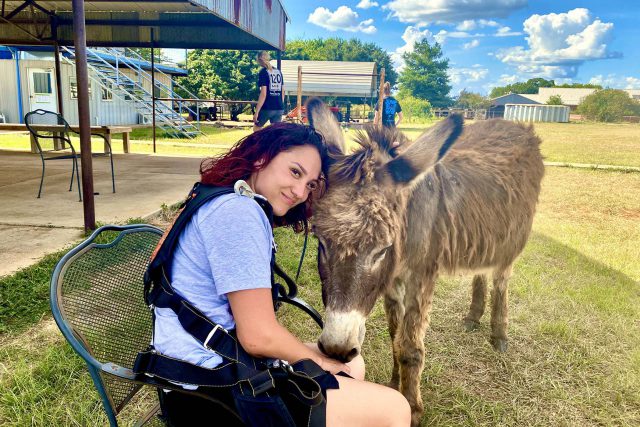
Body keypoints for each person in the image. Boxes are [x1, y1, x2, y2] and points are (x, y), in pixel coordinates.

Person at [151, 122, 411, 427]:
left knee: (352, 364)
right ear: (263, 158)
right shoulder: (238, 214)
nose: (301, 192)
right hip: (209, 393)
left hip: (201, 371)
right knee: (394, 408)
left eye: (311, 184)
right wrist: (318, 362)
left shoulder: (221, 198)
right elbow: (258, 337)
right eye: (295, 172)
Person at [253, 51, 285, 132]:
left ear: (260, 60)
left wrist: (257, 112)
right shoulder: (278, 72)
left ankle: (259, 145)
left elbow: (263, 93)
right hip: (279, 107)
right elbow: (283, 91)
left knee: (256, 129)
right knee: (275, 133)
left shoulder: (263, 72)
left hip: (267, 107)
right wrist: (280, 104)